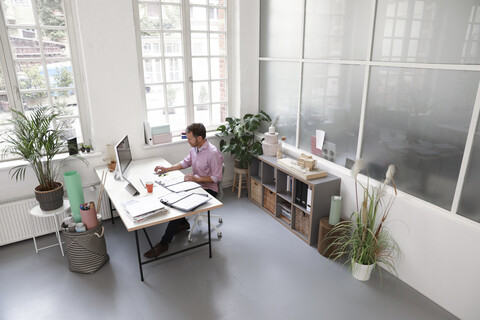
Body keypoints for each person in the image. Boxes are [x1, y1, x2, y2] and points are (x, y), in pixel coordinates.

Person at [143, 123, 224, 258]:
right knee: (171, 194)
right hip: (195, 185)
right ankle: (183, 223)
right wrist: (167, 168)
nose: (188, 141)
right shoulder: (195, 149)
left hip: (209, 189)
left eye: (190, 138)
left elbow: (216, 178)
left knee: (179, 207)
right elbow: (185, 163)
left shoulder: (213, 153)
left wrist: (196, 179)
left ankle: (164, 243)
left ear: (199, 138)